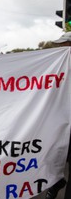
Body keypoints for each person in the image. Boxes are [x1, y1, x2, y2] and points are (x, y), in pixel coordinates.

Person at [44, 31, 71, 199]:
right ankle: (55, 182)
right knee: (52, 154)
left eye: (64, 44)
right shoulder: (59, 64)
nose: (60, 47)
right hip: (61, 120)